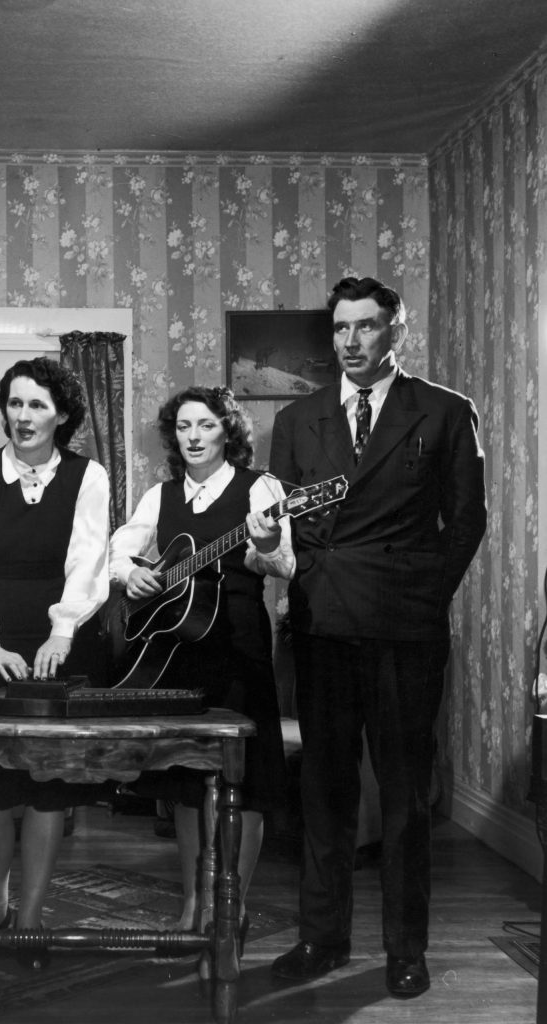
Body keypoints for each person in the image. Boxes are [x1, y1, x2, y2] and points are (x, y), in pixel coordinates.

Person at [268, 277, 487, 998]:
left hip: (404, 629)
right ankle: (321, 939)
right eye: (340, 328)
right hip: (322, 624)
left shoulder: (446, 412)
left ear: (396, 329)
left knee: (403, 798)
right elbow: (281, 529)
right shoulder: (298, 420)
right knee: (324, 794)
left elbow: (467, 520)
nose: (351, 341)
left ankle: (404, 950)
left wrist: (424, 595)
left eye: (366, 326)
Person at [0, 356, 110, 970]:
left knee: (48, 791)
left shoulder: (89, 477)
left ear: (62, 415)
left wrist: (64, 631)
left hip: (60, 642)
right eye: (15, 403)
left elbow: (88, 562)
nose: (24, 415)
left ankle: (30, 919)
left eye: (38, 405)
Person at [109, 385, 291, 946]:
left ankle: (228, 902)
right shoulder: (159, 496)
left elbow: (284, 563)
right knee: (186, 783)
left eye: (206, 425)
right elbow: (120, 548)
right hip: (177, 652)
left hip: (239, 643)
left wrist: (265, 541)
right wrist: (127, 572)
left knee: (244, 779)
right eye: (184, 426)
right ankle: (192, 901)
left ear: (227, 432)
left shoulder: (260, 488)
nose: (193, 436)